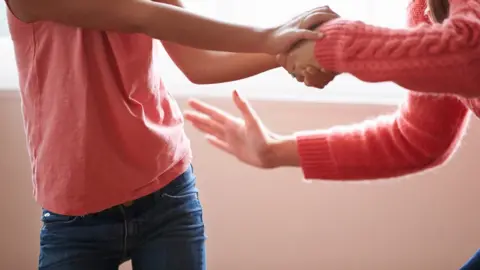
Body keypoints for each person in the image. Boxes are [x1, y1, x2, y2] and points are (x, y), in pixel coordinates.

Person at [5, 0, 340, 268]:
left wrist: (291, 51)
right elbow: (141, 16)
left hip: (167, 193)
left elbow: (201, 63)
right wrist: (271, 37)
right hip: (76, 215)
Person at [182, 0, 480, 269]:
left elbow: (470, 54)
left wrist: (338, 45)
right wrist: (273, 151)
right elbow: (417, 138)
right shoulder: (425, 9)